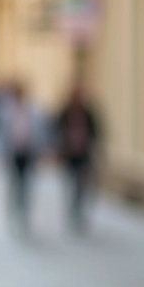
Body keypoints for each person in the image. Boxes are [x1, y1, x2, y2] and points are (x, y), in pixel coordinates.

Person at [0, 82, 47, 232]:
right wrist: (3, 153)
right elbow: (1, 135)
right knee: (14, 185)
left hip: (28, 153)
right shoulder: (6, 112)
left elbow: (39, 132)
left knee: (26, 186)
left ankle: (24, 214)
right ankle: (12, 213)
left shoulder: (33, 112)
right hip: (13, 153)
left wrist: (40, 151)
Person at [54, 82, 100, 233]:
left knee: (82, 187)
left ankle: (79, 212)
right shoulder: (65, 111)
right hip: (69, 156)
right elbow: (55, 130)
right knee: (69, 185)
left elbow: (96, 132)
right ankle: (72, 212)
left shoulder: (88, 112)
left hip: (84, 155)